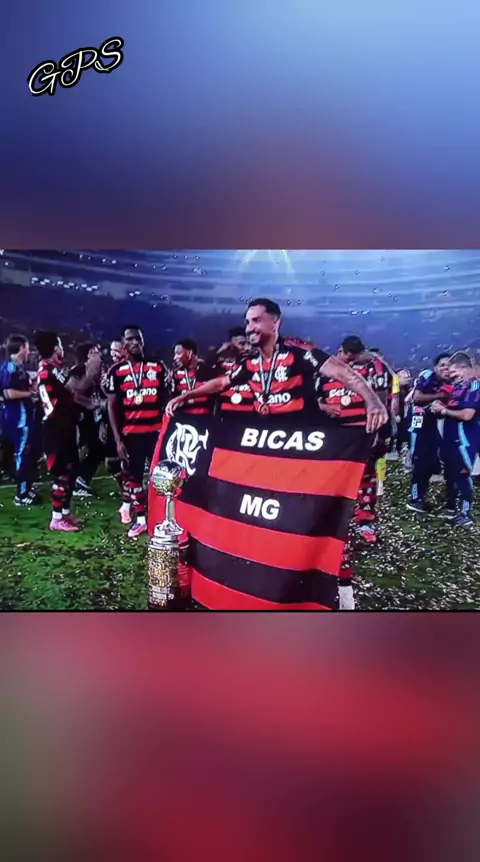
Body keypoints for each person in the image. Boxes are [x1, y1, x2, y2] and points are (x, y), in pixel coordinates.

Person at [166, 299, 388, 431]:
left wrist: (373, 401)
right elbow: (221, 383)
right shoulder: (251, 363)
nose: (249, 328)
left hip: (301, 439)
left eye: (256, 320)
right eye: (247, 322)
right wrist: (186, 396)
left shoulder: (299, 353)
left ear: (275, 322)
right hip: (268, 439)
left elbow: (342, 373)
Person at [107, 325, 169, 539]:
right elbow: (112, 406)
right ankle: (141, 521)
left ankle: (163, 517)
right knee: (133, 478)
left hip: (155, 434)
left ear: (143, 342)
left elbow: (167, 400)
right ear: (123, 344)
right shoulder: (116, 372)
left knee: (160, 476)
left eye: (138, 339)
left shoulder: (158, 367)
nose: (135, 342)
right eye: (130, 339)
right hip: (131, 435)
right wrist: (118, 440)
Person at [36, 331, 98, 532]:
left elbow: (71, 396)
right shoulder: (50, 371)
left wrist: (89, 405)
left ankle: (64, 512)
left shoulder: (50, 369)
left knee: (71, 470)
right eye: (61, 345)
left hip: (64, 427)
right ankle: (56, 518)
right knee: (62, 473)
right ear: (56, 348)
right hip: (56, 429)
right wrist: (91, 370)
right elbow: (76, 388)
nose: (62, 349)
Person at [431, 353, 480, 526]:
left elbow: (467, 415)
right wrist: (439, 407)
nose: (452, 377)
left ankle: (466, 513)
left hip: (465, 437)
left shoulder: (474, 386)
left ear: (465, 368)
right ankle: (451, 506)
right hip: (450, 437)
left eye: (455, 373)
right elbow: (453, 409)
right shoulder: (458, 387)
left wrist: (444, 411)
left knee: (463, 472)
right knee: (451, 472)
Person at [407, 353, 452, 515]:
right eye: (442, 365)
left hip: (439, 427)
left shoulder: (453, 381)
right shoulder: (428, 377)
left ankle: (426, 497)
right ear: (435, 367)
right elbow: (417, 397)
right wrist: (440, 396)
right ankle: (415, 499)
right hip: (421, 426)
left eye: (448, 365)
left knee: (434, 463)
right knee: (420, 463)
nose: (446, 368)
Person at [0, 334, 40, 505]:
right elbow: (7, 393)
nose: (29, 351)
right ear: (21, 348)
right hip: (18, 419)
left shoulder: (19, 367)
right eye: (27, 348)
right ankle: (21, 495)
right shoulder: (9, 368)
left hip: (24, 417)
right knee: (22, 455)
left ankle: (27, 488)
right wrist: (30, 394)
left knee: (29, 454)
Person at [69, 343, 103, 498]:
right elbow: (72, 392)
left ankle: (79, 480)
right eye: (96, 352)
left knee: (97, 447)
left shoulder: (97, 370)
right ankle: (76, 481)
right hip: (78, 416)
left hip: (90, 416)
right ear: (88, 354)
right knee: (90, 447)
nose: (99, 355)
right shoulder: (79, 370)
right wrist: (89, 404)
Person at [208, 327, 255, 414]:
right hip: (225, 412)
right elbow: (203, 370)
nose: (247, 348)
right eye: (242, 344)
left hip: (250, 412)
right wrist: (219, 351)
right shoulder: (221, 362)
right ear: (231, 344)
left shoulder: (256, 362)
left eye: (249, 344)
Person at [170, 339, 213, 415]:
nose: (175, 357)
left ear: (189, 353)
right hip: (183, 418)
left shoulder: (208, 370)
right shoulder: (175, 374)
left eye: (178, 353)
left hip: (205, 417)